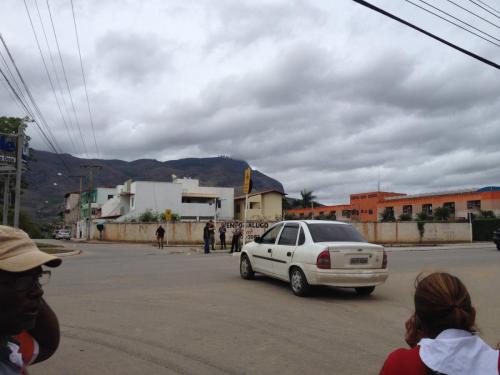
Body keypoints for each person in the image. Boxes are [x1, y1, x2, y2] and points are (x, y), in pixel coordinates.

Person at [380, 272, 500, 375]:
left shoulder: (399, 364)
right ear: (472, 316)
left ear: (417, 322)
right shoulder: (496, 362)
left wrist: (416, 350)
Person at [0, 225, 62, 374]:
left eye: (38, 278)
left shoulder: (7, 344)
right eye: (22, 281)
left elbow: (47, 344)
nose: (39, 292)